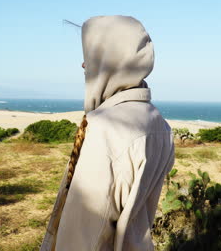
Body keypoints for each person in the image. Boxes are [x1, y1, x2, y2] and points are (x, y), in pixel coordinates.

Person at [41, 15, 175, 251]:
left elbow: (85, 233)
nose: (83, 65)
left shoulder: (106, 127)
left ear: (112, 60)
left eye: (89, 56)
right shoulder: (159, 123)